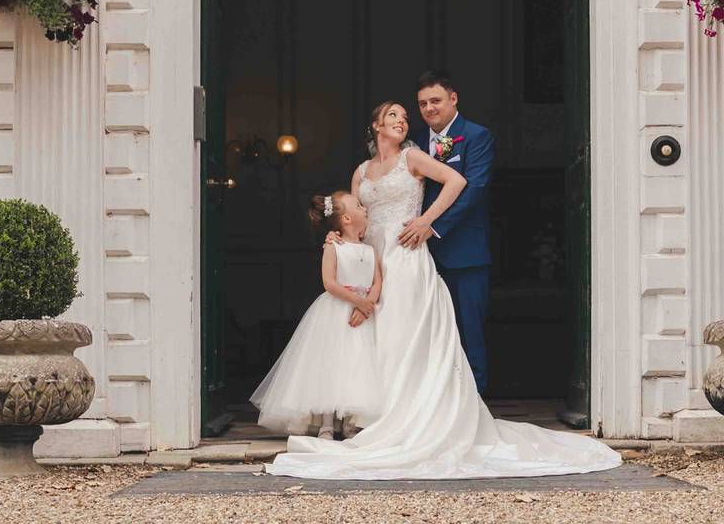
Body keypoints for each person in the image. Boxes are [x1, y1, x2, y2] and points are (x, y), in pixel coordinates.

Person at [265, 100, 622, 479]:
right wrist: (339, 243)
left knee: (404, 336)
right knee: (372, 338)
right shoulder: (361, 172)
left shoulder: (412, 158)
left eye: (404, 117)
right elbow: (354, 218)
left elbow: (457, 181)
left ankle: (409, 418)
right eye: (393, 116)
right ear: (375, 126)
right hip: (372, 260)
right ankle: (370, 416)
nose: (402, 121)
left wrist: (426, 221)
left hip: (405, 256)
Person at [250, 191, 383, 440]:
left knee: (356, 365)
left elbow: (377, 281)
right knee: (329, 365)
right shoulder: (333, 247)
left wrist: (368, 305)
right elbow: (329, 283)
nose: (365, 208)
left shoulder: (371, 250)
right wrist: (357, 301)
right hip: (338, 312)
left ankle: (351, 421)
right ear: (345, 218)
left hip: (362, 314)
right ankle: (326, 423)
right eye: (358, 205)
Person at [407, 69, 494, 394]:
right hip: (419, 256)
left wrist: (433, 227)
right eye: (422, 103)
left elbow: (475, 190)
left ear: (453, 99)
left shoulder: (476, 136)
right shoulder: (413, 141)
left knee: (469, 330)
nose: (429, 108)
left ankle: (477, 405)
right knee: (429, 334)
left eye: (436, 101)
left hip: (465, 253)